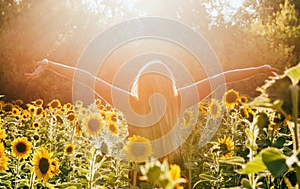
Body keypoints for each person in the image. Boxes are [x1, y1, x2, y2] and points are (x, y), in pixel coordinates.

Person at [25, 58, 278, 158]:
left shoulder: (129, 102)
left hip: (138, 175)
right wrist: (259, 69)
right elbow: (222, 77)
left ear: (139, 84)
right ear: (169, 84)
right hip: (175, 175)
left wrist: (49, 63)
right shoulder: (180, 99)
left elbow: (86, 76)